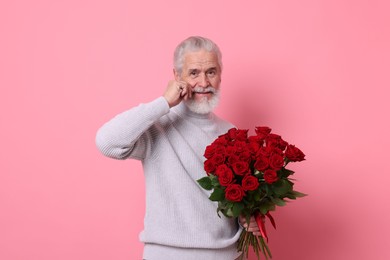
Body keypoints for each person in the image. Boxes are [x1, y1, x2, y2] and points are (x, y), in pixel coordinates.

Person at [95, 36, 260, 260]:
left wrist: (246, 218)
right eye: (194, 73)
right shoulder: (157, 125)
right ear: (177, 76)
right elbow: (107, 142)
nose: (203, 82)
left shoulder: (231, 132)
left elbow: (234, 201)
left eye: (211, 72)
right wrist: (163, 102)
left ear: (220, 75)